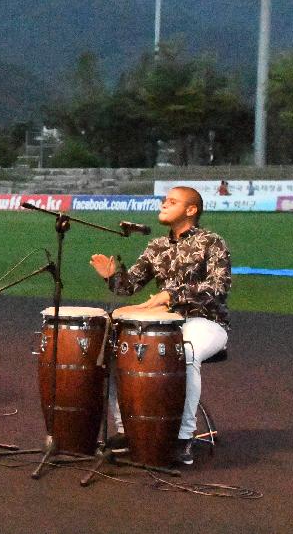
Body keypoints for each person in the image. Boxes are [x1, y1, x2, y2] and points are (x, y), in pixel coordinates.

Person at [90, 186, 231, 465]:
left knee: (185, 351)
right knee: (113, 351)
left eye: (173, 202)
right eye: (165, 200)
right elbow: (128, 286)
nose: (164, 205)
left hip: (205, 322)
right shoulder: (156, 246)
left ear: (191, 210)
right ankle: (125, 429)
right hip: (162, 325)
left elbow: (219, 286)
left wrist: (173, 295)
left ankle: (183, 436)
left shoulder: (211, 242)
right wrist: (112, 277)